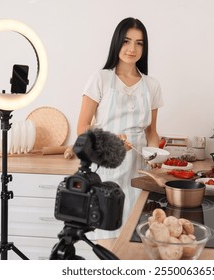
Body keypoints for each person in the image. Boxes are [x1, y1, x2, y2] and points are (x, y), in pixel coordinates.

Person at [77, 17, 164, 240]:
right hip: (107, 169)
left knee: (137, 238)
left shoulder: (151, 85)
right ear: (117, 42)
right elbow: (82, 127)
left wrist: (156, 160)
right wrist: (110, 141)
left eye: (139, 43)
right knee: (108, 240)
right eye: (126, 41)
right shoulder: (100, 79)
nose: (132, 48)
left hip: (139, 171)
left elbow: (151, 132)